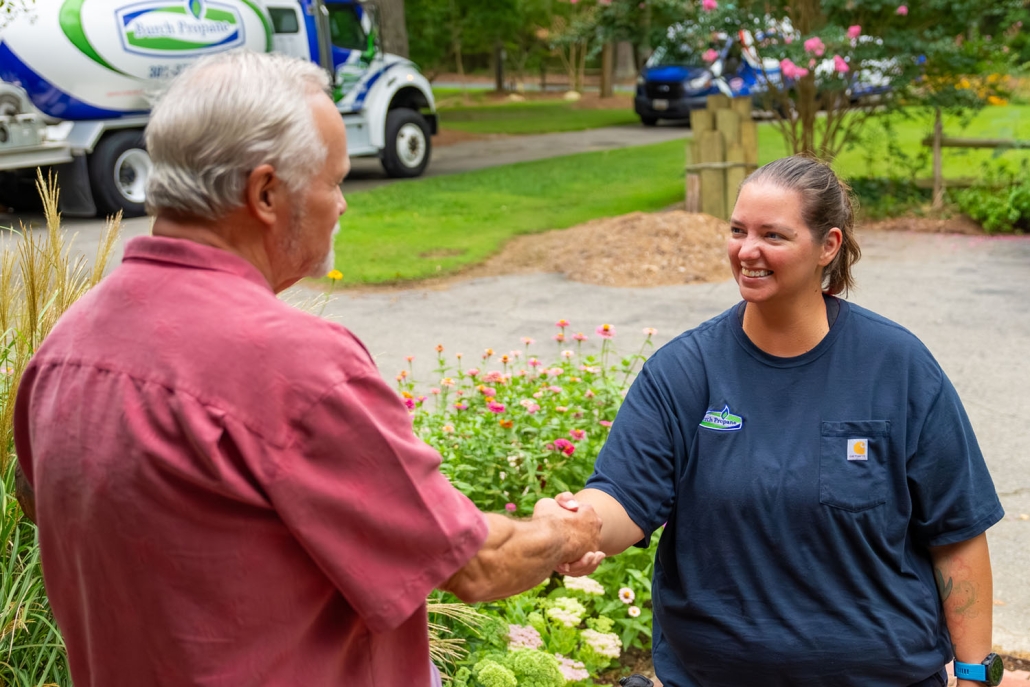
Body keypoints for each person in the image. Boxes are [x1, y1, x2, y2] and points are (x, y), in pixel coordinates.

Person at [13, 51, 601, 686]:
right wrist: (559, 534)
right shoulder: (294, 365)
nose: (342, 205)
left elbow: (37, 501)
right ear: (266, 193)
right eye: (334, 181)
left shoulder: (65, 348)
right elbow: (478, 565)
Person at [558, 155, 1004, 687]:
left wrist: (976, 675)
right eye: (737, 230)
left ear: (828, 246)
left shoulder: (897, 367)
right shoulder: (684, 372)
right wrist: (574, 525)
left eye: (773, 234)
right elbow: (622, 498)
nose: (747, 250)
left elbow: (956, 534)